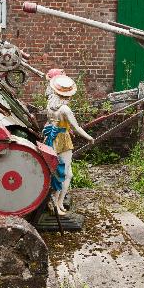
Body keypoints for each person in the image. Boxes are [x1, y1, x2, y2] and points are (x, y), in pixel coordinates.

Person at [43, 74, 94, 215]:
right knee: (63, 173)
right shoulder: (65, 109)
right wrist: (89, 138)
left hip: (53, 138)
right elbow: (77, 128)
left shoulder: (51, 104)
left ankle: (58, 202)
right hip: (63, 141)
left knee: (67, 174)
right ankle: (55, 202)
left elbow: (55, 122)